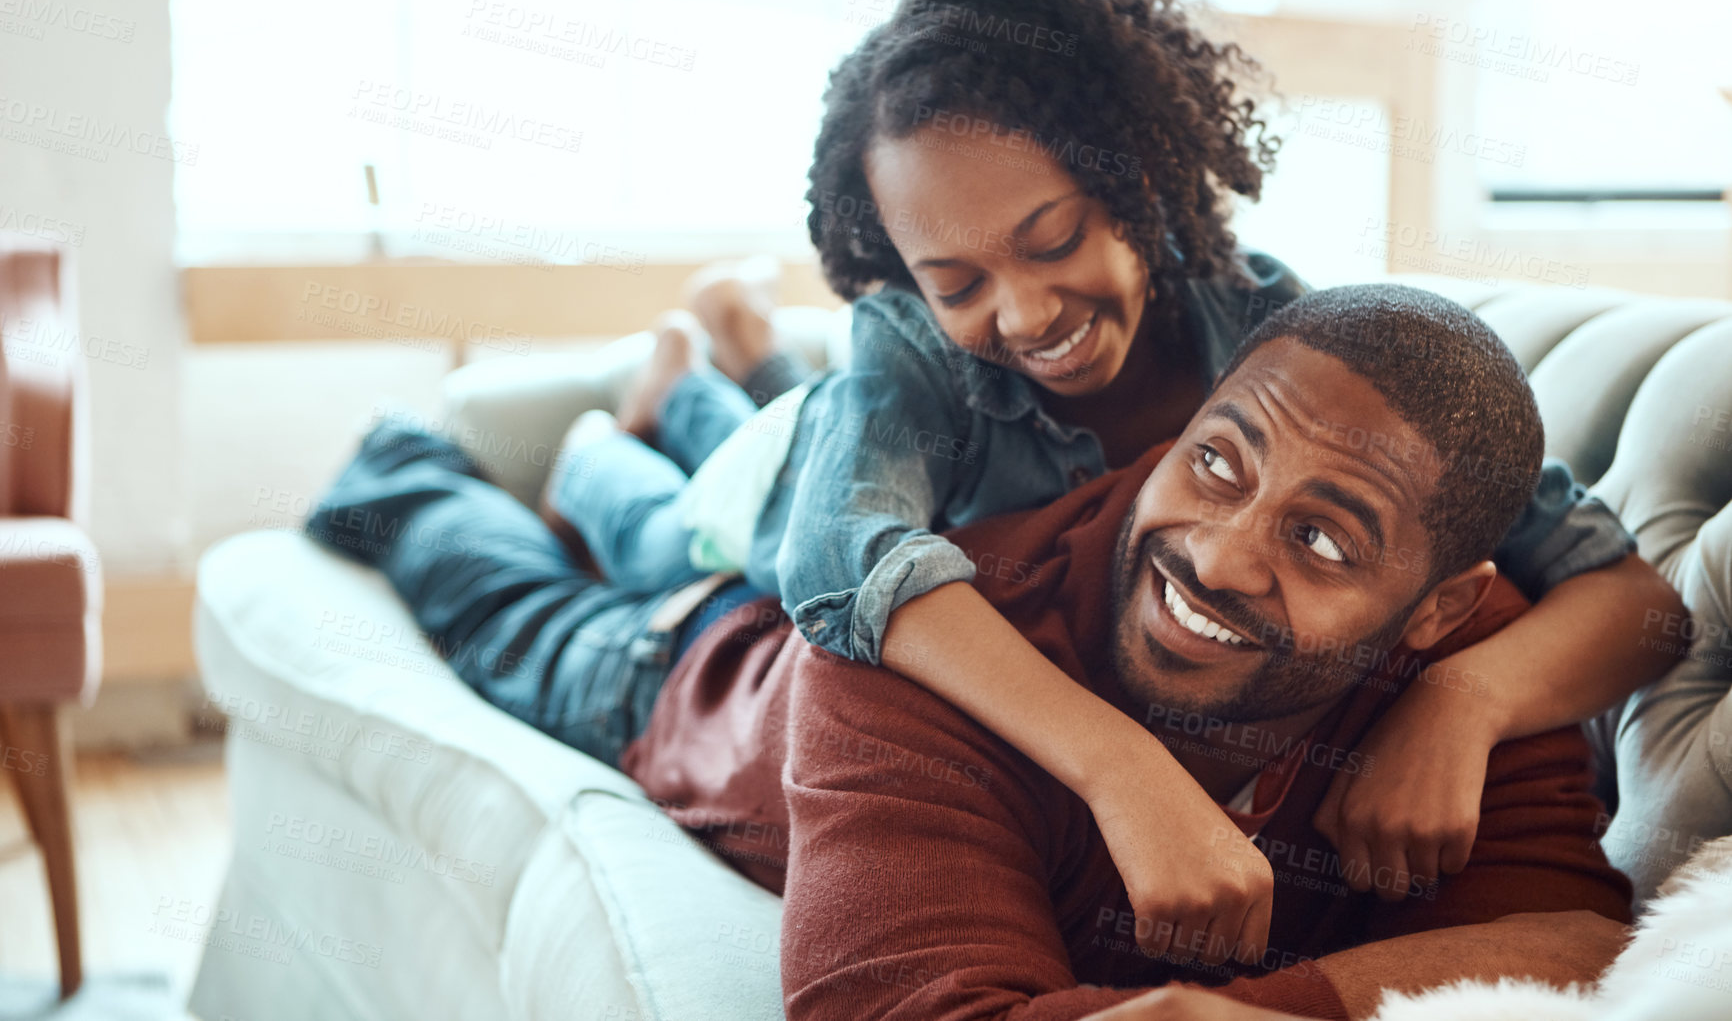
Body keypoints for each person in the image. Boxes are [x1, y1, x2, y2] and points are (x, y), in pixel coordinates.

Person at [538, 0, 1683, 961]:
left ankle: (720, 350)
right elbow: (835, 559)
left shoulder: (1280, 341)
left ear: (1137, 176)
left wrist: (1464, 700)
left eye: (1053, 240)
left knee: (745, 435)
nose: (1027, 314)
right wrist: (1116, 762)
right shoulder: (910, 350)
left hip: (830, 443)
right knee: (663, 528)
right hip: (769, 532)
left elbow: (1635, 602)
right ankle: (628, 420)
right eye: (959, 280)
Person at [306, 285, 1636, 1019]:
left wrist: (1268, 1013)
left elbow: (1564, 942)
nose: (1223, 555)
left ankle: (699, 391)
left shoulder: (1477, 669)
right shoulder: (907, 659)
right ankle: (430, 458)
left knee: (727, 493)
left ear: (1437, 609)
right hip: (694, 675)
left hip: (822, 572)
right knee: (494, 589)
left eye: (1326, 541)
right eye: (1216, 463)